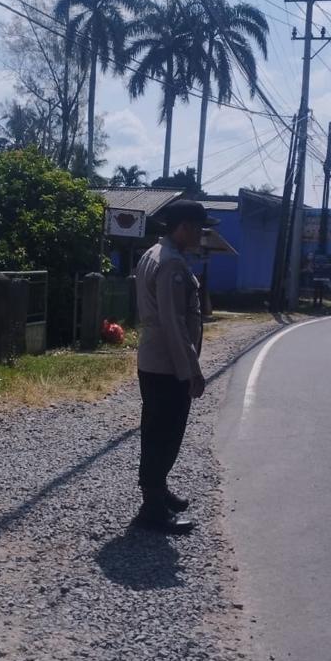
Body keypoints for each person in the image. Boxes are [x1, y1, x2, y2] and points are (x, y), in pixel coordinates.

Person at [133, 199, 218, 534]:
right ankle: (152, 508)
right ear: (184, 227)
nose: (201, 235)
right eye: (198, 229)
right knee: (164, 435)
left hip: (154, 360)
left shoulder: (154, 253)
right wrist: (191, 370)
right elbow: (174, 323)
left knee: (158, 430)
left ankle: (158, 491)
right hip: (167, 365)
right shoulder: (170, 263)